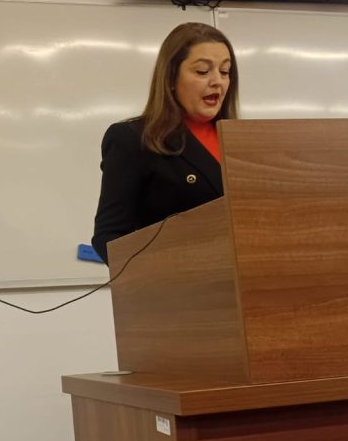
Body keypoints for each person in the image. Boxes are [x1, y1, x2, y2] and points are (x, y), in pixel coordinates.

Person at [92, 22, 239, 263]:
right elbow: (109, 237)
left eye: (225, 72)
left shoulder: (241, 140)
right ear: (171, 78)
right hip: (181, 293)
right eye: (203, 71)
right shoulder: (133, 138)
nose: (217, 82)